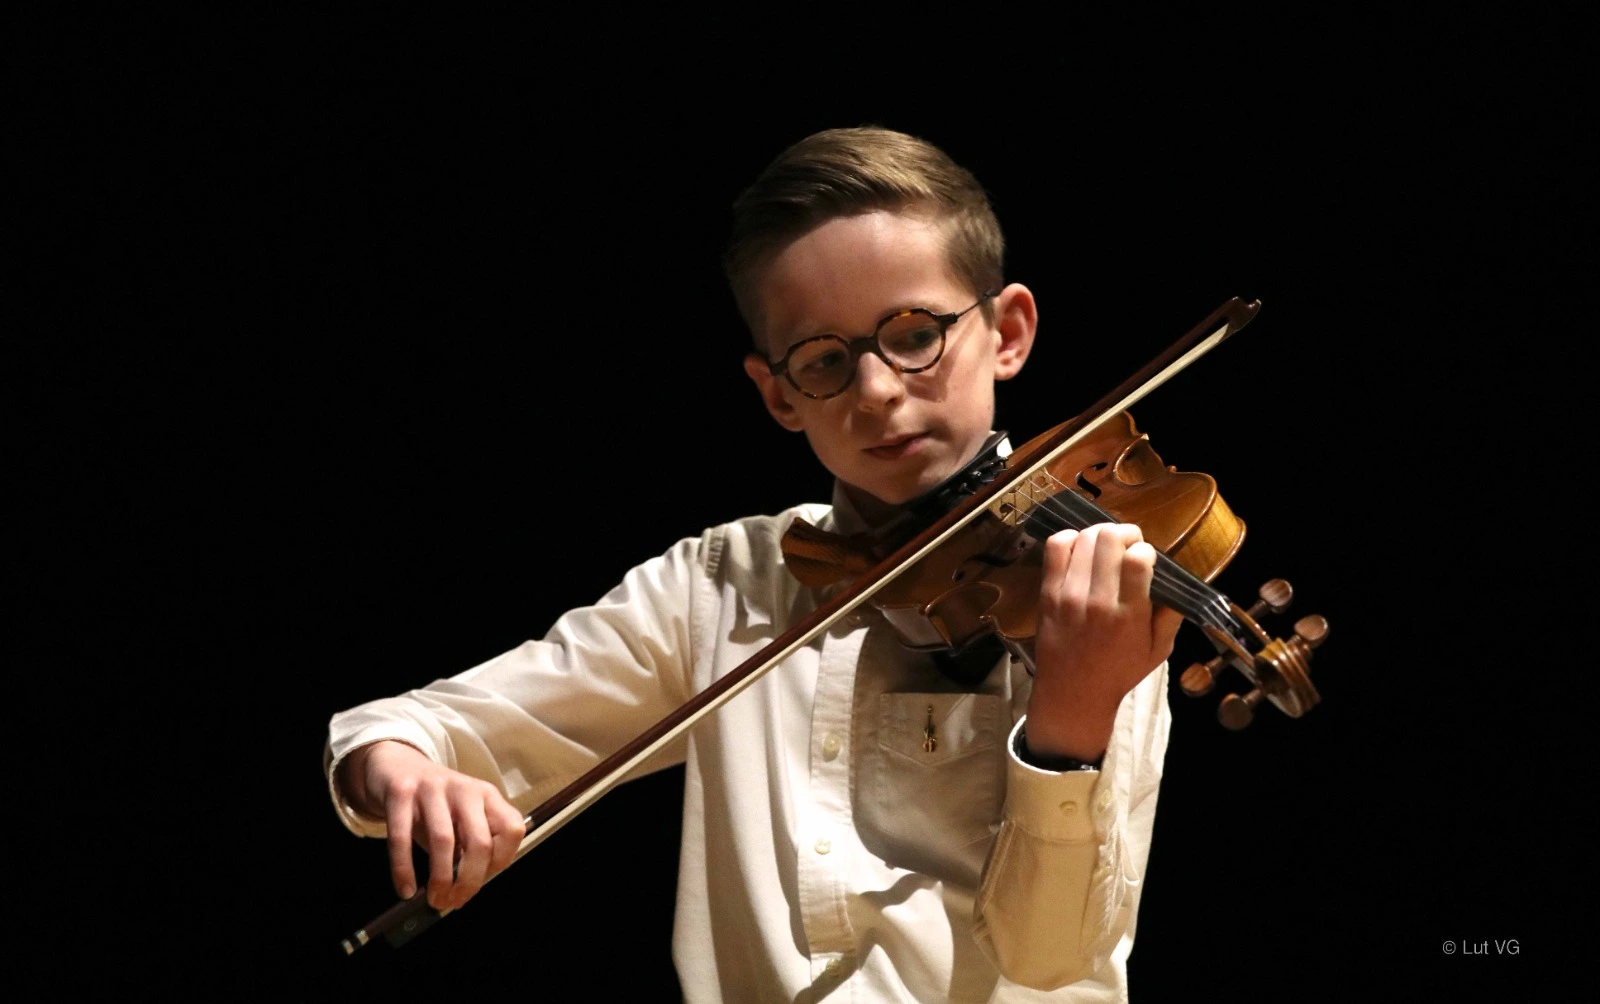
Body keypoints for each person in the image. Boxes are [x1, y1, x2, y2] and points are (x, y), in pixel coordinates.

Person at [325, 125, 1183, 1002]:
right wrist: (404, 768)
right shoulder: (719, 586)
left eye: (915, 335)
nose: (877, 390)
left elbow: (1050, 959)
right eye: (825, 361)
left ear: (1008, 332)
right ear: (778, 393)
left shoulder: (1085, 594)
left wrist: (1069, 722)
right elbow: (394, 730)